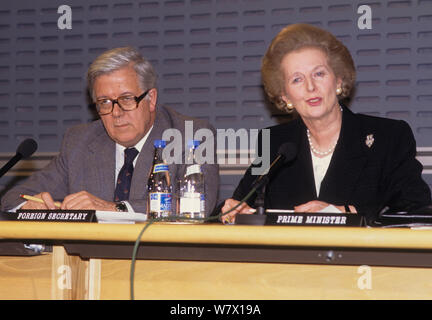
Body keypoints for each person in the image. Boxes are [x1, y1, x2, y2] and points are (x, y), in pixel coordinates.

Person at [221, 23, 431, 223]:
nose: (310, 87)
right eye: (297, 79)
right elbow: (238, 203)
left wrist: (348, 213)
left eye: (319, 73)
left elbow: (416, 208)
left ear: (338, 80)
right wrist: (235, 211)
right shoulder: (274, 143)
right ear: (285, 96)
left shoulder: (388, 137)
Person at [0, 47, 219, 215]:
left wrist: (113, 209)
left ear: (151, 99)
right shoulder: (79, 142)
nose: (116, 112)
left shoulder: (193, 135)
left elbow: (198, 206)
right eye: (104, 102)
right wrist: (28, 205)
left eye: (126, 99)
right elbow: (13, 197)